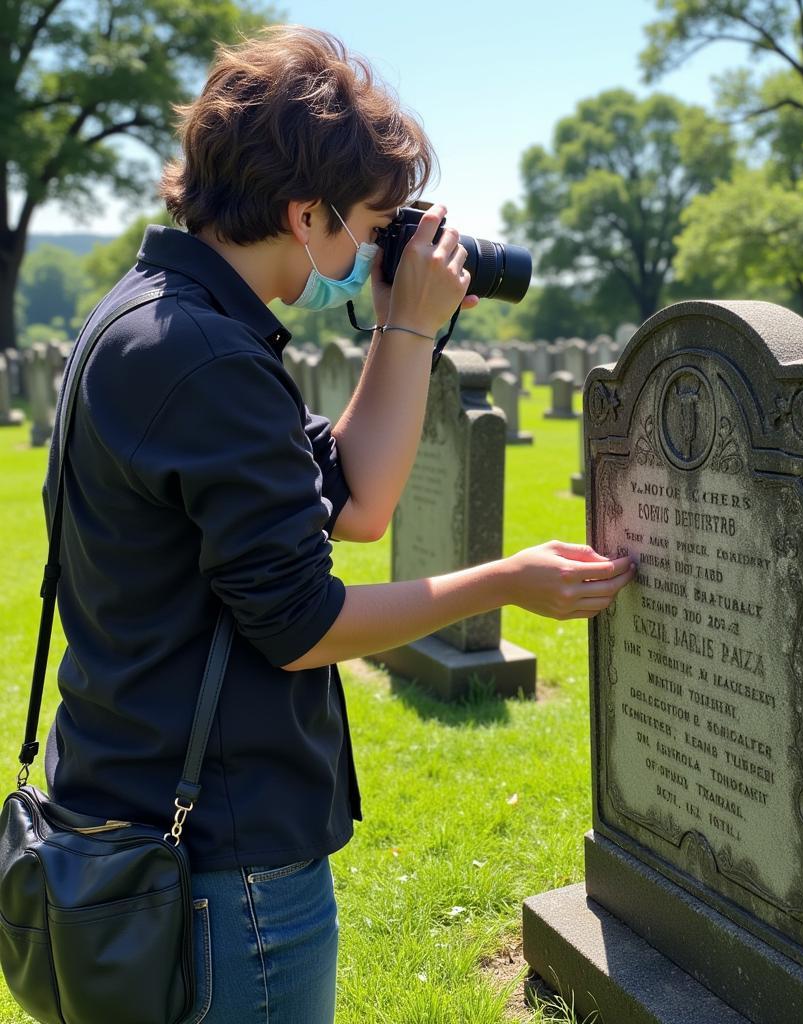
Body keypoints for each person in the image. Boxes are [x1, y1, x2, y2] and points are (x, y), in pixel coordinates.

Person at [40, 24, 635, 1024]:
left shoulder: (160, 318)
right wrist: (501, 580)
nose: (370, 252)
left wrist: (406, 325)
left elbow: (354, 503)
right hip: (221, 867)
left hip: (136, 818)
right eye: (368, 224)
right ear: (302, 210)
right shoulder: (204, 357)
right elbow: (302, 621)